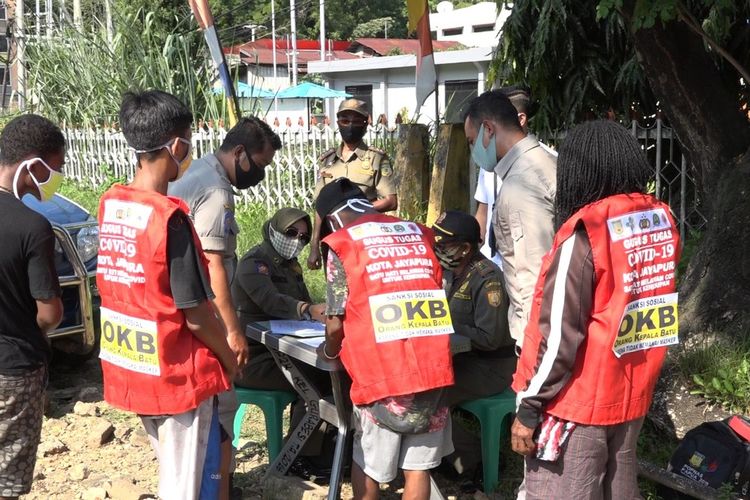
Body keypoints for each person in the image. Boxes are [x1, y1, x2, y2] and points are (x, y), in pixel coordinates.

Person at [511, 120, 681, 498]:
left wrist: (529, 408)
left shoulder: (586, 232)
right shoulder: (659, 221)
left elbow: (559, 336)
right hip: (630, 396)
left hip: (575, 405)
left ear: (579, 170)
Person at [97, 90, 238, 500]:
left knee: (172, 473)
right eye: (188, 143)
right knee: (183, 487)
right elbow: (195, 313)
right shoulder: (169, 219)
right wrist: (228, 359)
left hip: (134, 364)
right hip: (177, 374)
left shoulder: (113, 203)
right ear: (177, 146)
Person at [317, 178, 454, 500]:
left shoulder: (343, 244)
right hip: (433, 366)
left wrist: (330, 350)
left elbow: (336, 321)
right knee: (418, 468)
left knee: (368, 464)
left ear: (331, 219)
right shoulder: (419, 232)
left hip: (379, 373)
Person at [168, 116, 281, 496]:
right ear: (239, 153)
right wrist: (233, 332)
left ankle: (207, 482)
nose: (260, 174)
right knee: (221, 408)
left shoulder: (197, 170)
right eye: (259, 165)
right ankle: (219, 487)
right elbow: (214, 265)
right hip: (203, 315)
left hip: (180, 310)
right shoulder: (217, 191)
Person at [231, 207, 333, 479]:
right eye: (291, 232)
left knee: (331, 376)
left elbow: (304, 304)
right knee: (314, 382)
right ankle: (296, 457)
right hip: (253, 359)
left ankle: (322, 452)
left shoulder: (291, 266)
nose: (297, 240)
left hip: (283, 350)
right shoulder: (253, 264)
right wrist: (307, 309)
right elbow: (271, 301)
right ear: (275, 229)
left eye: (303, 236)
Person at [0, 115, 65, 499]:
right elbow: (49, 313)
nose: (54, 179)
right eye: (54, 169)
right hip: (14, 369)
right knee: (7, 477)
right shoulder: (33, 227)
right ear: (34, 165)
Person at [463, 89, 557, 349]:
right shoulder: (542, 162)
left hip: (537, 335)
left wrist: (532, 345)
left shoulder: (521, 185)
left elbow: (534, 273)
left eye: (472, 141)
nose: (473, 150)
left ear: (488, 130)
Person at [430, 211, 516, 487]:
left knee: (431, 394)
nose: (438, 249)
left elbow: (490, 338)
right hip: (462, 360)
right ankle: (447, 456)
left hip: (489, 366)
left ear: (465, 248)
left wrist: (448, 331)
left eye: (444, 245)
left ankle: (473, 459)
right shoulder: (450, 272)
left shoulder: (488, 279)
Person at [307, 99, 398, 270]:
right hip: (333, 239)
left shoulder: (376, 158)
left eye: (357, 121)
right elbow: (320, 206)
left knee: (365, 291)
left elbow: (391, 201)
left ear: (366, 124)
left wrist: (356, 210)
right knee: (337, 292)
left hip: (365, 239)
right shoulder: (328, 160)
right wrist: (314, 247)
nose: (350, 125)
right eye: (345, 121)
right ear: (338, 123)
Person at [473, 86, 557, 266]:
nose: (474, 148)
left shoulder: (539, 168)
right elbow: (482, 212)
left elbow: (534, 261)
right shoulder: (490, 161)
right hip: (493, 266)